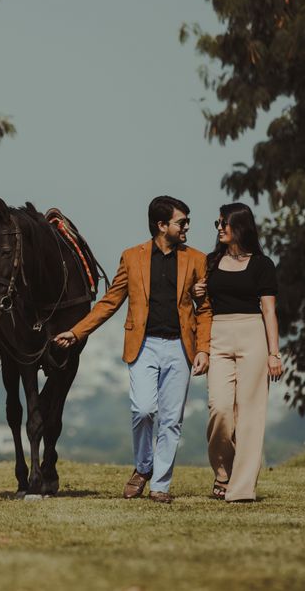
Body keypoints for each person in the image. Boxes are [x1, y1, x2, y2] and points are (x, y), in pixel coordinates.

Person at [54, 196, 212, 503]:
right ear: (162, 225)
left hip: (181, 348)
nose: (187, 227)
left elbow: (204, 309)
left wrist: (203, 349)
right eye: (182, 222)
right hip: (143, 346)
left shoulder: (197, 259)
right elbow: (110, 302)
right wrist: (76, 332)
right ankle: (143, 467)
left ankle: (161, 486)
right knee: (142, 410)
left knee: (171, 420)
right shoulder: (132, 257)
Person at [191, 202, 281, 503]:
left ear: (239, 226)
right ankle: (223, 473)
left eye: (223, 223)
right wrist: (197, 293)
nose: (218, 228)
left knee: (250, 416)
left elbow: (269, 311)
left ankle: (241, 490)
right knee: (220, 409)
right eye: (217, 223)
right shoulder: (211, 261)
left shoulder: (262, 264)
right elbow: (202, 304)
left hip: (252, 334)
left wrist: (274, 353)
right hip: (218, 335)